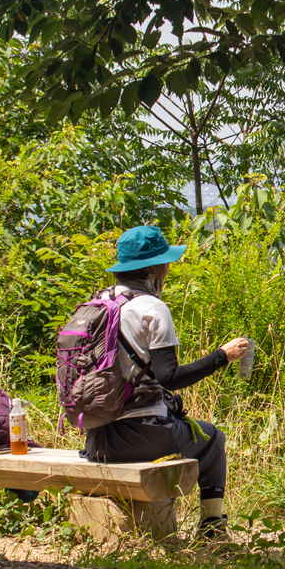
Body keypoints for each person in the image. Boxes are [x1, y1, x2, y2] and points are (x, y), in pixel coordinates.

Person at [82, 225, 249, 539]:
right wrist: (221, 356)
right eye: (167, 264)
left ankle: (169, 518)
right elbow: (169, 378)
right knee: (213, 439)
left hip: (96, 439)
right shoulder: (153, 309)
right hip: (140, 437)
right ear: (155, 269)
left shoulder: (99, 303)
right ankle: (213, 530)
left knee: (185, 430)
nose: (170, 269)